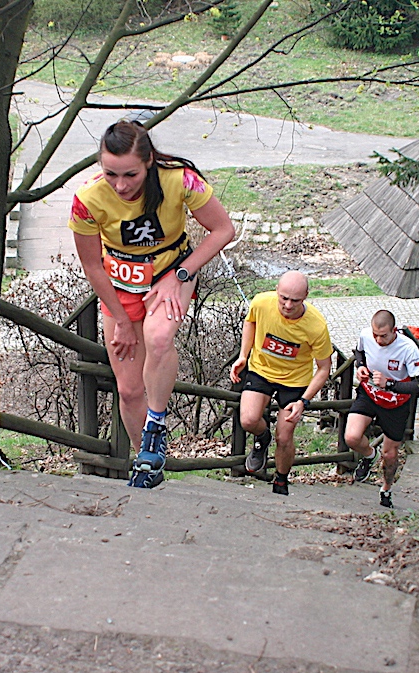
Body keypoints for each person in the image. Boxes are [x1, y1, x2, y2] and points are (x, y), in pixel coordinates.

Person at [69, 120, 235, 488]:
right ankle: (146, 460)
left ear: (148, 162)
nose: (121, 185)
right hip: (120, 286)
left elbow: (224, 229)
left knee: (159, 337)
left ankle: (156, 424)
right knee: (128, 390)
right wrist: (122, 321)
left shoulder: (180, 180)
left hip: (172, 274)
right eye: (111, 174)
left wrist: (180, 275)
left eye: (130, 174)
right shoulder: (88, 199)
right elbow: (92, 265)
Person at [229, 271, 332, 496]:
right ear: (276, 290)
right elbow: (250, 322)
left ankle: (281, 480)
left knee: (284, 437)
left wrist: (304, 401)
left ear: (306, 296)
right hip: (261, 370)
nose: (288, 305)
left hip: (294, 380)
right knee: (248, 420)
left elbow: (324, 368)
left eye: (295, 300)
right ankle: (262, 437)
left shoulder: (316, 325)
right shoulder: (261, 302)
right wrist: (243, 355)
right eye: (283, 298)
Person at [343, 309, 419, 508]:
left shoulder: (408, 348)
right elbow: (359, 352)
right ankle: (370, 455)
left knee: (390, 454)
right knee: (351, 437)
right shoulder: (366, 335)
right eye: (375, 335)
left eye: (384, 336)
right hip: (369, 394)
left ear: (394, 330)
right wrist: (360, 366)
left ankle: (386, 489)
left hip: (396, 404)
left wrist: (390, 384)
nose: (379, 340)